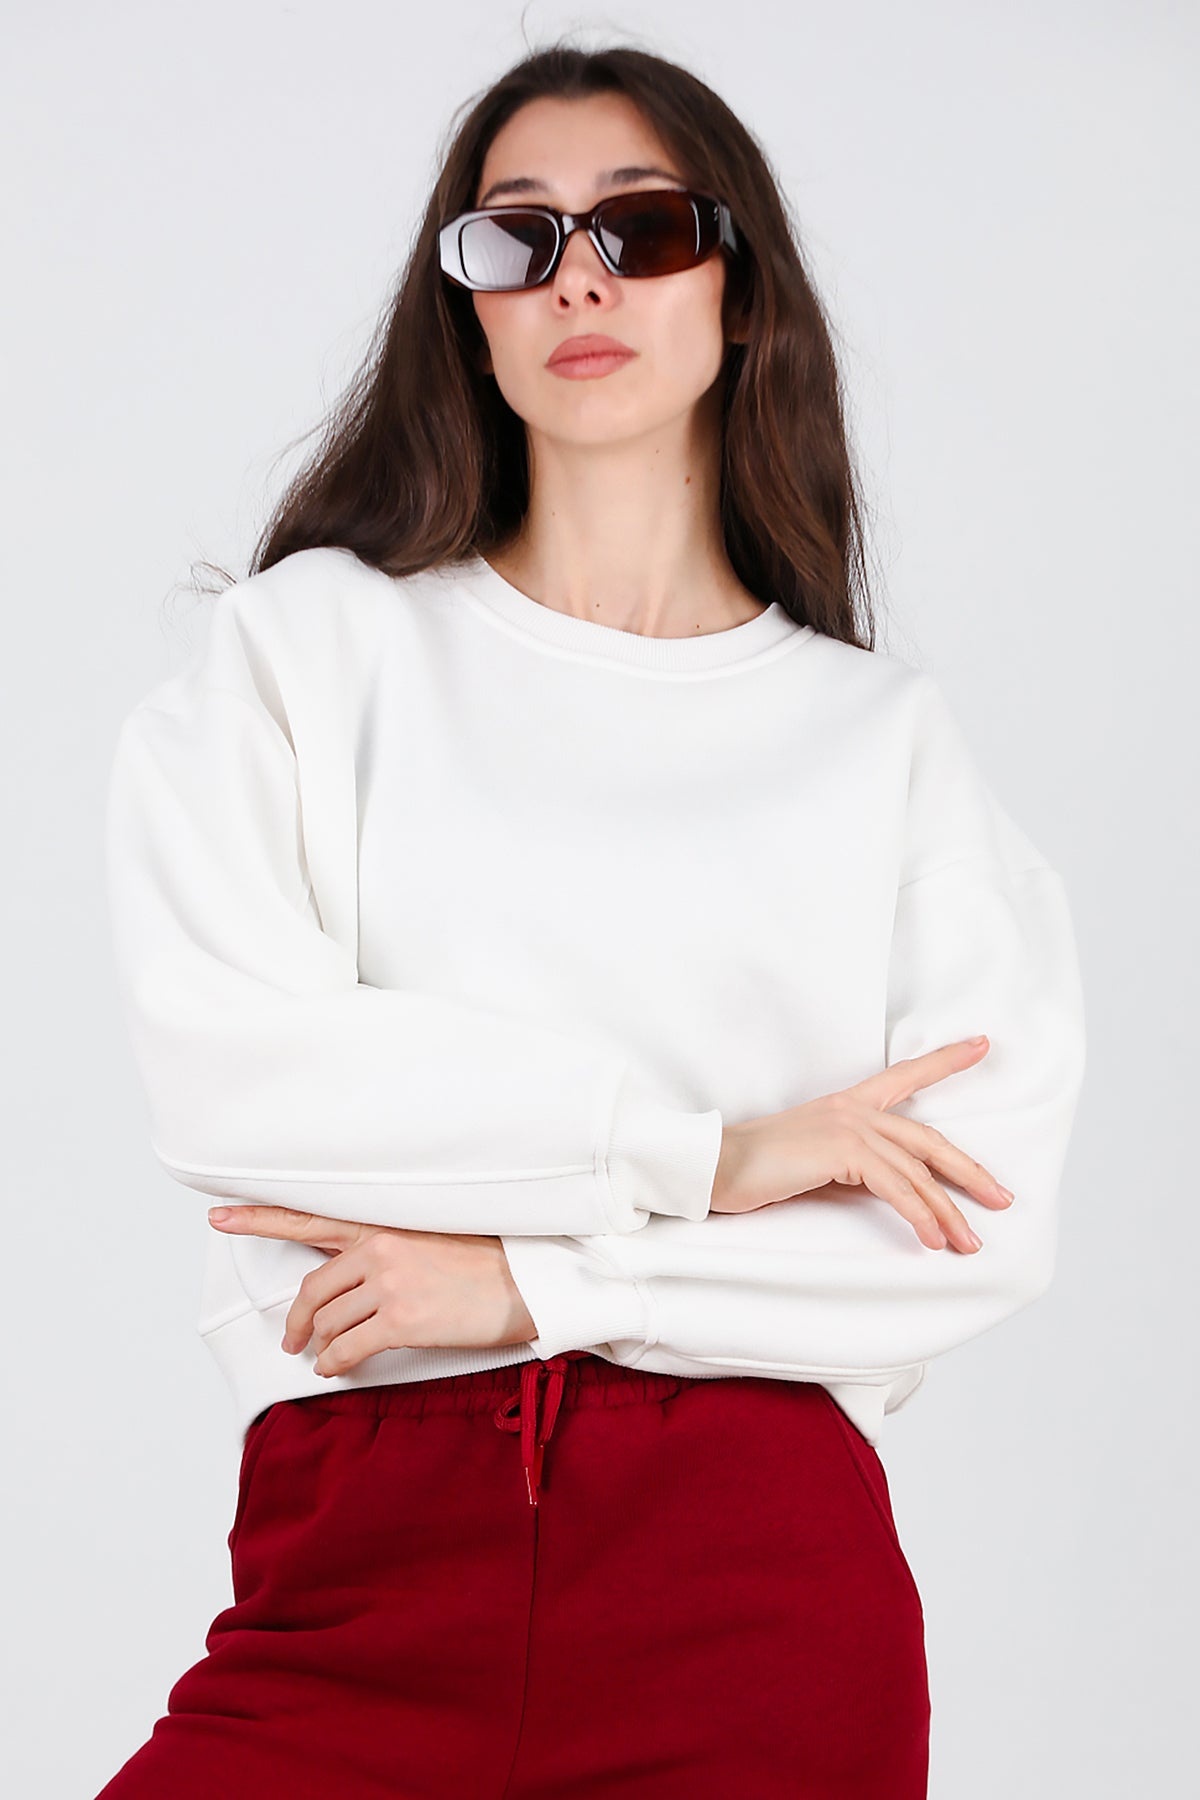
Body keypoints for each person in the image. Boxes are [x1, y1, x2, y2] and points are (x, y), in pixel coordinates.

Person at [94, 39, 1086, 1800]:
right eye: (517, 237)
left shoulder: (880, 746)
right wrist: (721, 1157)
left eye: (644, 227)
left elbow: (968, 1224)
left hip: (752, 1593)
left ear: (741, 290)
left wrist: (532, 1282)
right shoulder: (312, 650)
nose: (577, 278)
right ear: (465, 307)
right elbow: (237, 1077)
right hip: (364, 1569)